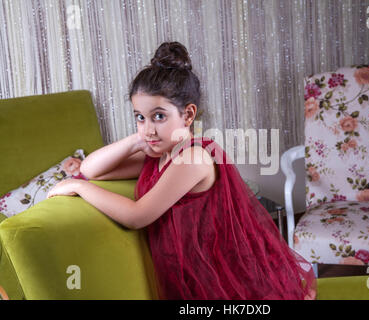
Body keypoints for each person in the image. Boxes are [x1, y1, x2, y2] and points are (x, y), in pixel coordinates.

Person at [47, 41, 316, 300]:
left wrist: (78, 186)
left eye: (159, 116)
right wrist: (139, 138)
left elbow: (137, 216)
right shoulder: (159, 154)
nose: (148, 127)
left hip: (222, 278)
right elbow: (93, 169)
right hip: (190, 274)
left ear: (187, 116)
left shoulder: (193, 159)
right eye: (139, 116)